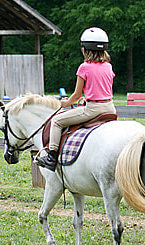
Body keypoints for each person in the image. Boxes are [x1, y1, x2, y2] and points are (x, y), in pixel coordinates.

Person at [36, 27, 116, 171]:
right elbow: (104, 90)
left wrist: (66, 103)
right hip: (110, 107)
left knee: (56, 121)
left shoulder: (84, 67)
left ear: (85, 49)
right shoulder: (108, 66)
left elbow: (76, 95)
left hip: (93, 109)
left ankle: (51, 157)